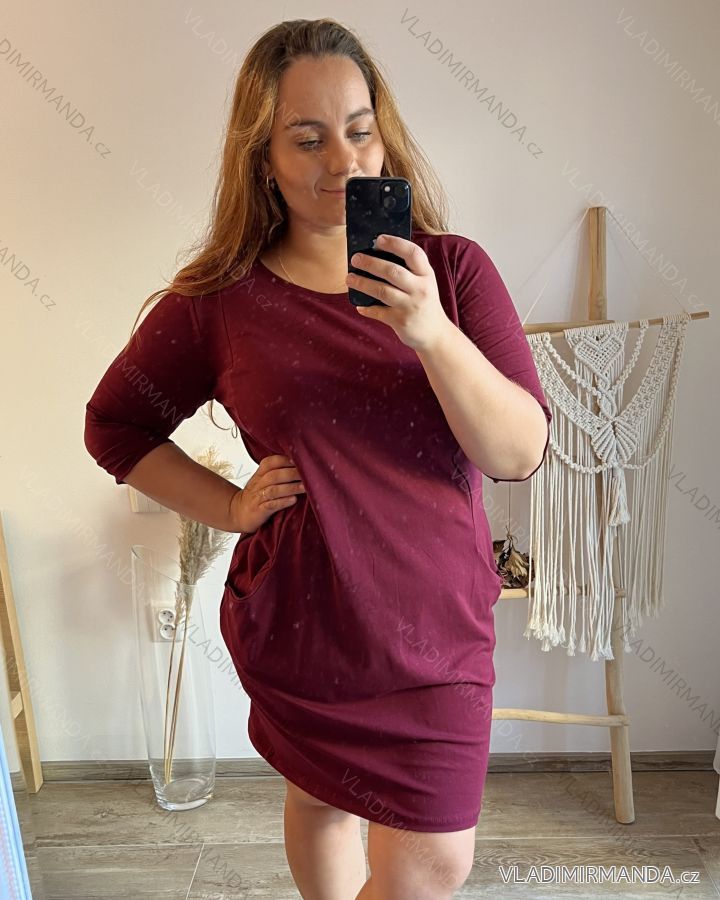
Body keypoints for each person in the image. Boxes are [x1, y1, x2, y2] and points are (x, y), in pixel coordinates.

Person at [84, 18, 551, 900]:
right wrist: (231, 506)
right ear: (261, 158)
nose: (343, 160)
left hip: (438, 628)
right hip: (306, 622)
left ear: (384, 133)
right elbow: (115, 425)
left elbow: (519, 452)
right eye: (307, 139)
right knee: (320, 798)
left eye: (359, 129)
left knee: (433, 867)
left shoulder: (452, 273)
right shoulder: (222, 302)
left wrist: (429, 330)